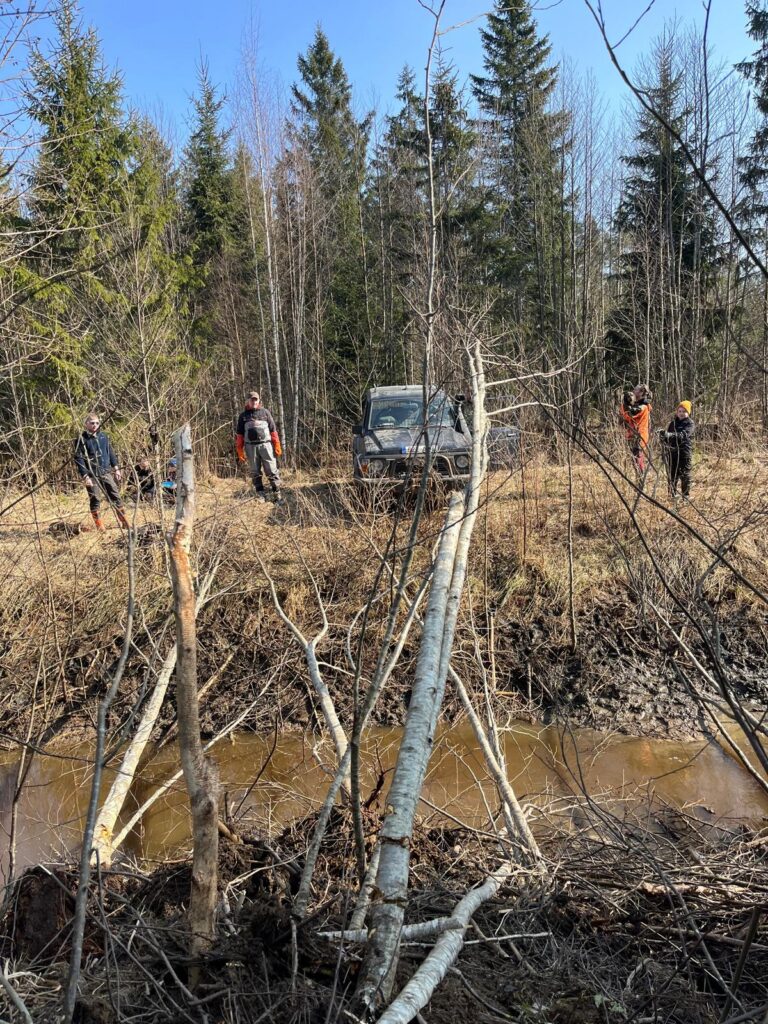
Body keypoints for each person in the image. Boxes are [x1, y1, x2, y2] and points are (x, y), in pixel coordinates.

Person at [73, 414, 129, 531]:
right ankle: (100, 526)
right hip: (91, 474)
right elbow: (79, 459)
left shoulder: (103, 436)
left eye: (97, 423)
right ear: (86, 424)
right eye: (92, 423)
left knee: (115, 495)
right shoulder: (81, 440)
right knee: (95, 499)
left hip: (105, 471)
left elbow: (110, 452)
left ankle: (124, 522)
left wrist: (116, 468)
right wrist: (85, 476)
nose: (95, 425)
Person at [235, 391, 283, 503]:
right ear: (248, 401)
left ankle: (277, 493)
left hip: (266, 446)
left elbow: (273, 430)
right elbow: (240, 435)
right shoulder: (243, 416)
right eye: (252, 400)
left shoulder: (265, 413)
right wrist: (239, 450)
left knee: (272, 469)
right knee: (255, 471)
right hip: (251, 448)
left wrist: (277, 444)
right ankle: (261, 494)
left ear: (259, 401)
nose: (254, 402)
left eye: (256, 400)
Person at [659, 400, 694, 500]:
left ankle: (685, 496)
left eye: (684, 411)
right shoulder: (672, 423)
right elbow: (667, 439)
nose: (681, 413)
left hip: (684, 452)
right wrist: (663, 436)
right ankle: (672, 494)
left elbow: (683, 435)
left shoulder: (690, 424)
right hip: (672, 453)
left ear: (688, 412)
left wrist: (670, 435)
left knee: (685, 475)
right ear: (677, 412)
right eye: (680, 411)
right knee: (672, 474)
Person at [620, 384, 653, 474]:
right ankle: (639, 478)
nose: (633, 391)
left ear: (641, 393)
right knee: (634, 461)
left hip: (639, 436)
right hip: (632, 435)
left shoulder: (644, 406)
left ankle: (641, 479)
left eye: (635, 390)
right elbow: (625, 417)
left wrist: (626, 404)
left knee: (638, 461)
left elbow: (632, 413)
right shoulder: (635, 405)